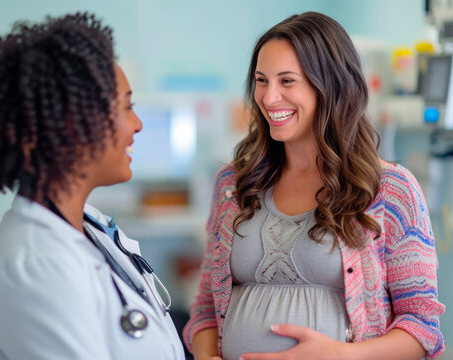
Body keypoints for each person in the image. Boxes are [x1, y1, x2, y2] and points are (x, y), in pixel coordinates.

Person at [183, 11, 445, 360]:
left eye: (287, 81)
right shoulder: (233, 184)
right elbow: (204, 307)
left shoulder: (392, 190)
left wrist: (341, 355)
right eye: (262, 81)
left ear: (331, 85)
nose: (269, 97)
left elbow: (421, 327)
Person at [0, 13, 184, 359]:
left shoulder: (86, 224)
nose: (138, 124)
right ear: (75, 123)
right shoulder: (37, 266)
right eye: (127, 106)